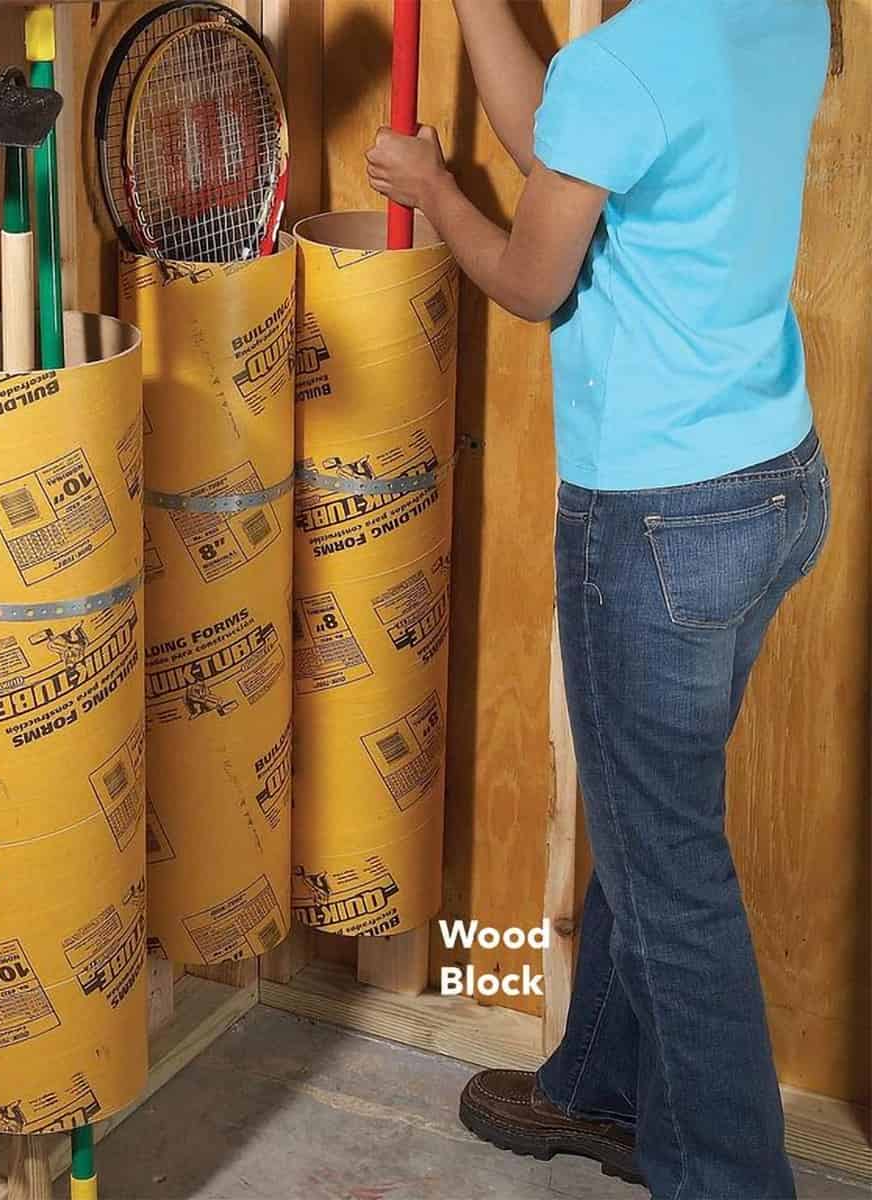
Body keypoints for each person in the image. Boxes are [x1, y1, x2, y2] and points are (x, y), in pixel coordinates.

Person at [365, 1, 832, 1197]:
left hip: (657, 521)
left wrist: (431, 185)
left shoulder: (626, 60)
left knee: (672, 877)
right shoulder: (785, 13)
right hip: (773, 489)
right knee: (651, 818)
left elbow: (530, 281)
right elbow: (571, 148)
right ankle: (600, 1090)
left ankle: (728, 1178)